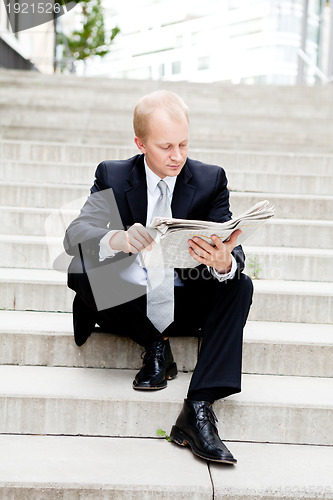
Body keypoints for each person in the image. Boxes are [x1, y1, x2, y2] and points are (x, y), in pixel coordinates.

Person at [63, 90, 253, 464]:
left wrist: (222, 261)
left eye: (183, 144)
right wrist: (114, 238)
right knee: (81, 266)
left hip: (185, 298)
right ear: (140, 143)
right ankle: (155, 343)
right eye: (165, 146)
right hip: (129, 302)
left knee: (239, 282)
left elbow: (235, 250)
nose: (177, 156)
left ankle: (198, 407)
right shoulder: (113, 174)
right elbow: (74, 234)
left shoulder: (210, 179)